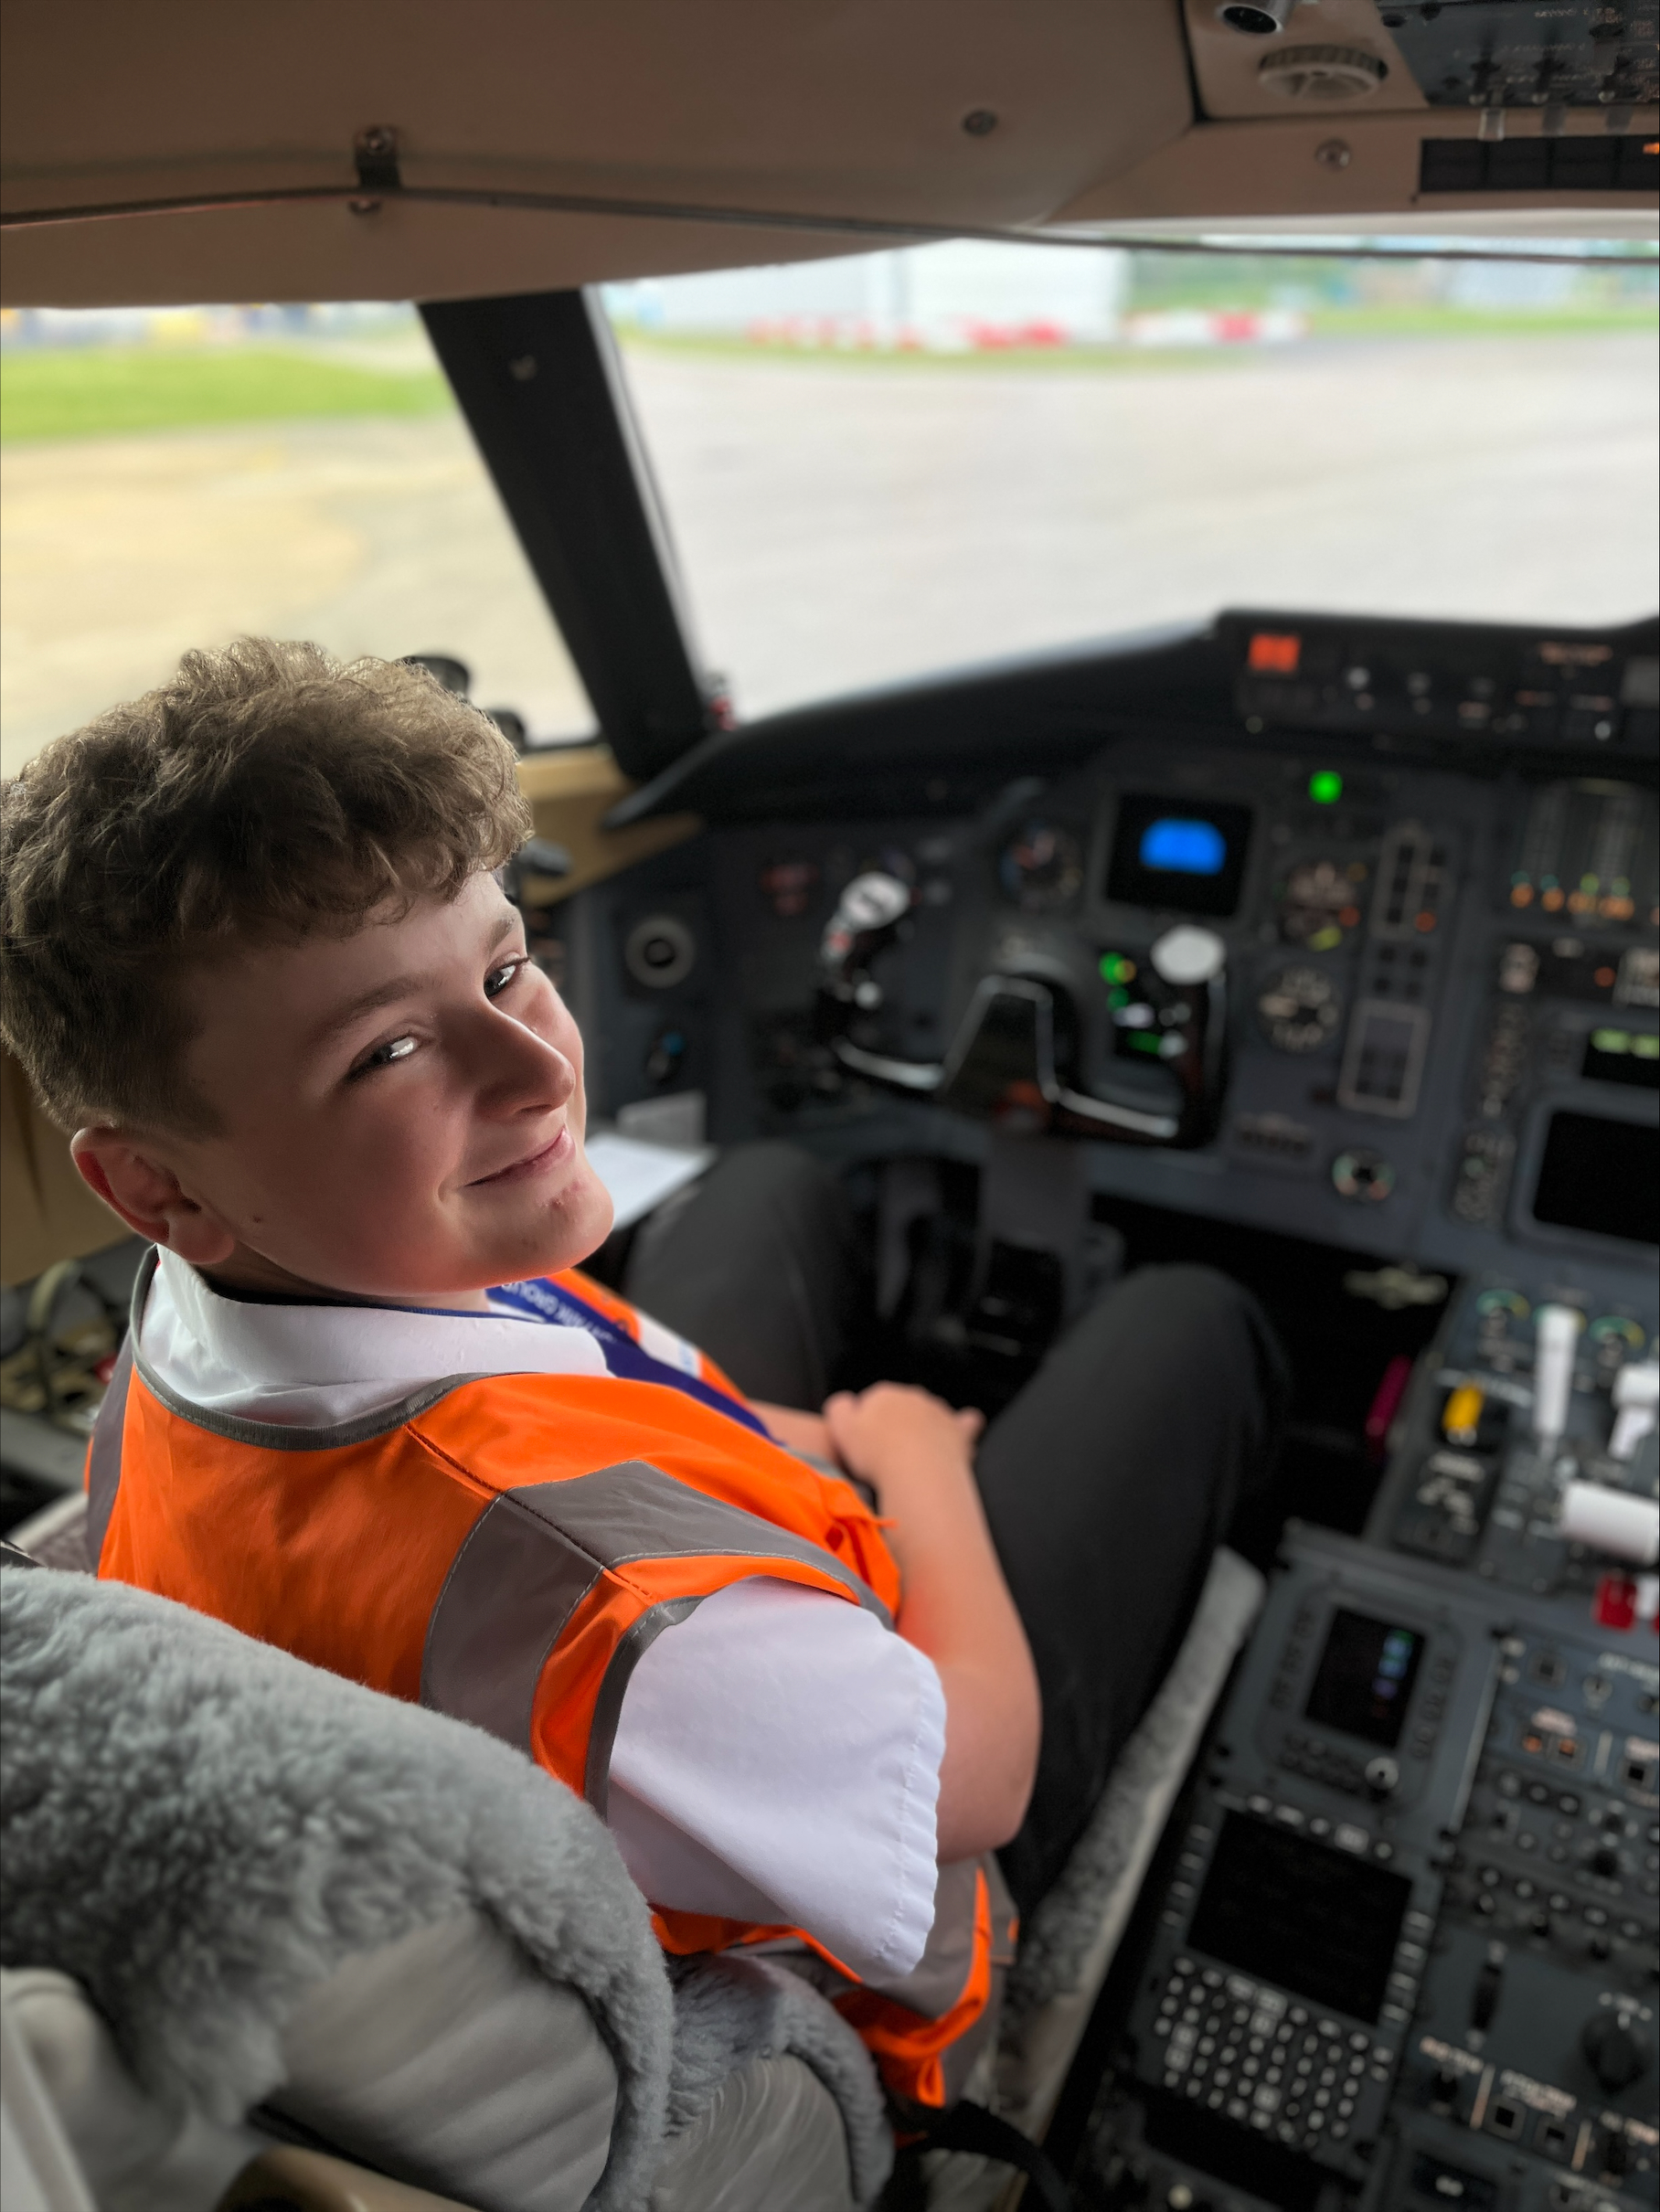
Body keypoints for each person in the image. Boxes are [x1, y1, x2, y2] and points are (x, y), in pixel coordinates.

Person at [0, 640, 1286, 2112]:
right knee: (1190, 1327)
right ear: (156, 1188)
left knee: (771, 1186)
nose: (539, 1069)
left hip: (591, 1652)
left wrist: (794, 1434)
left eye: (504, 966)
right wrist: (925, 1463)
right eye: (392, 1048)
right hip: (883, 1887)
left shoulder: (200, 1309)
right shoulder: (622, 1618)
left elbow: (576, 1375)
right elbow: (977, 1785)